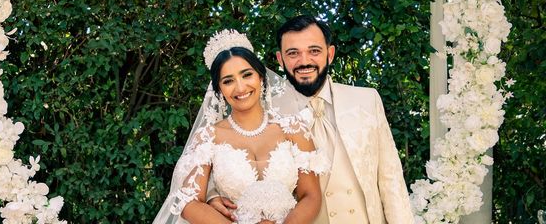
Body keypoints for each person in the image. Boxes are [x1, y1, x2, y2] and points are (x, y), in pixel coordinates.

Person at [210, 16, 415, 224]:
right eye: (293, 53)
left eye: (314, 51)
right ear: (280, 60)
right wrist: (212, 195)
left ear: (330, 54)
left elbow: (392, 181)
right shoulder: (265, 113)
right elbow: (225, 154)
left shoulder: (366, 100)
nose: (304, 61)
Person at [153, 29, 327, 224]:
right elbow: (189, 203)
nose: (240, 87)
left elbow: (311, 196)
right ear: (219, 90)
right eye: (228, 81)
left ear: (261, 77)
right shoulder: (209, 136)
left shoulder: (294, 129)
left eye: (247, 75)